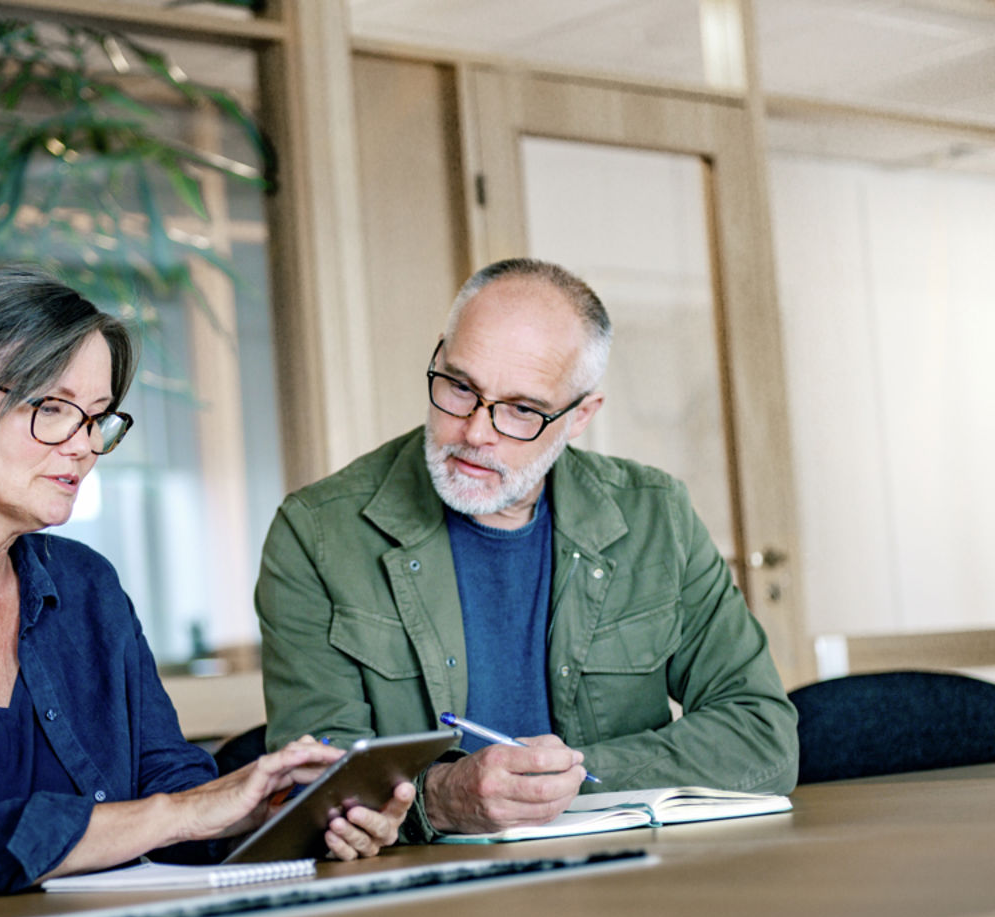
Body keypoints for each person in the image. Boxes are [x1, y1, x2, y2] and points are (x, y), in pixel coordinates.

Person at [0, 262, 412, 904]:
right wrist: (171, 815)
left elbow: (171, 783)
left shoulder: (86, 587)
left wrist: (284, 812)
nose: (84, 445)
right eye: (53, 408)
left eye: (97, 417)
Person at [256, 258, 798, 842]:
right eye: (460, 386)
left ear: (581, 415)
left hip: (625, 875)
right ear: (439, 357)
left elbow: (762, 734)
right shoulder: (316, 532)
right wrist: (439, 798)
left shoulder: (655, 514)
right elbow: (309, 780)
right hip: (426, 894)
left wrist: (564, 781)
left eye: (522, 409)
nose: (476, 432)